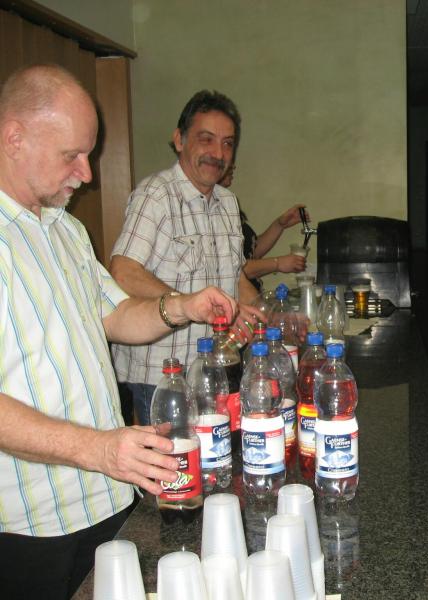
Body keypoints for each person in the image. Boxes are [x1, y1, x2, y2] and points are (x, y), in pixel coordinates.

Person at [0, 64, 239, 599]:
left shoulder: (65, 229)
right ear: (14, 138)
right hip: (30, 523)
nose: (86, 174)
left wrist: (182, 306)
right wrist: (97, 449)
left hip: (107, 497)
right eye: (72, 155)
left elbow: (116, 315)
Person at [110, 90, 264, 425]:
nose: (218, 153)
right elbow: (123, 271)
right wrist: (188, 303)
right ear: (179, 140)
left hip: (215, 366)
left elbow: (234, 275)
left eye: (227, 143)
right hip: (163, 374)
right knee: (177, 458)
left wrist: (266, 314)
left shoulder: (227, 203)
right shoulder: (156, 195)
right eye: (206, 139)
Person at [218, 163, 307, 292]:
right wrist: (278, 263)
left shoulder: (226, 201)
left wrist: (280, 225)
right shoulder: (211, 211)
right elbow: (233, 268)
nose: (233, 166)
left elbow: (250, 253)